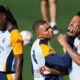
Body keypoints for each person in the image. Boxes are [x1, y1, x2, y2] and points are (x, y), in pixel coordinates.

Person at [38, 12, 80, 80]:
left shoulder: (68, 44)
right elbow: (71, 69)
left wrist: (66, 44)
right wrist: (51, 70)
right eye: (71, 21)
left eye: (75, 21)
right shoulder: (73, 42)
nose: (71, 23)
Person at [0, 5, 23, 80]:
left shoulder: (15, 35)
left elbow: (19, 61)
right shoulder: (1, 31)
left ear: (3, 16)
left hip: (9, 76)